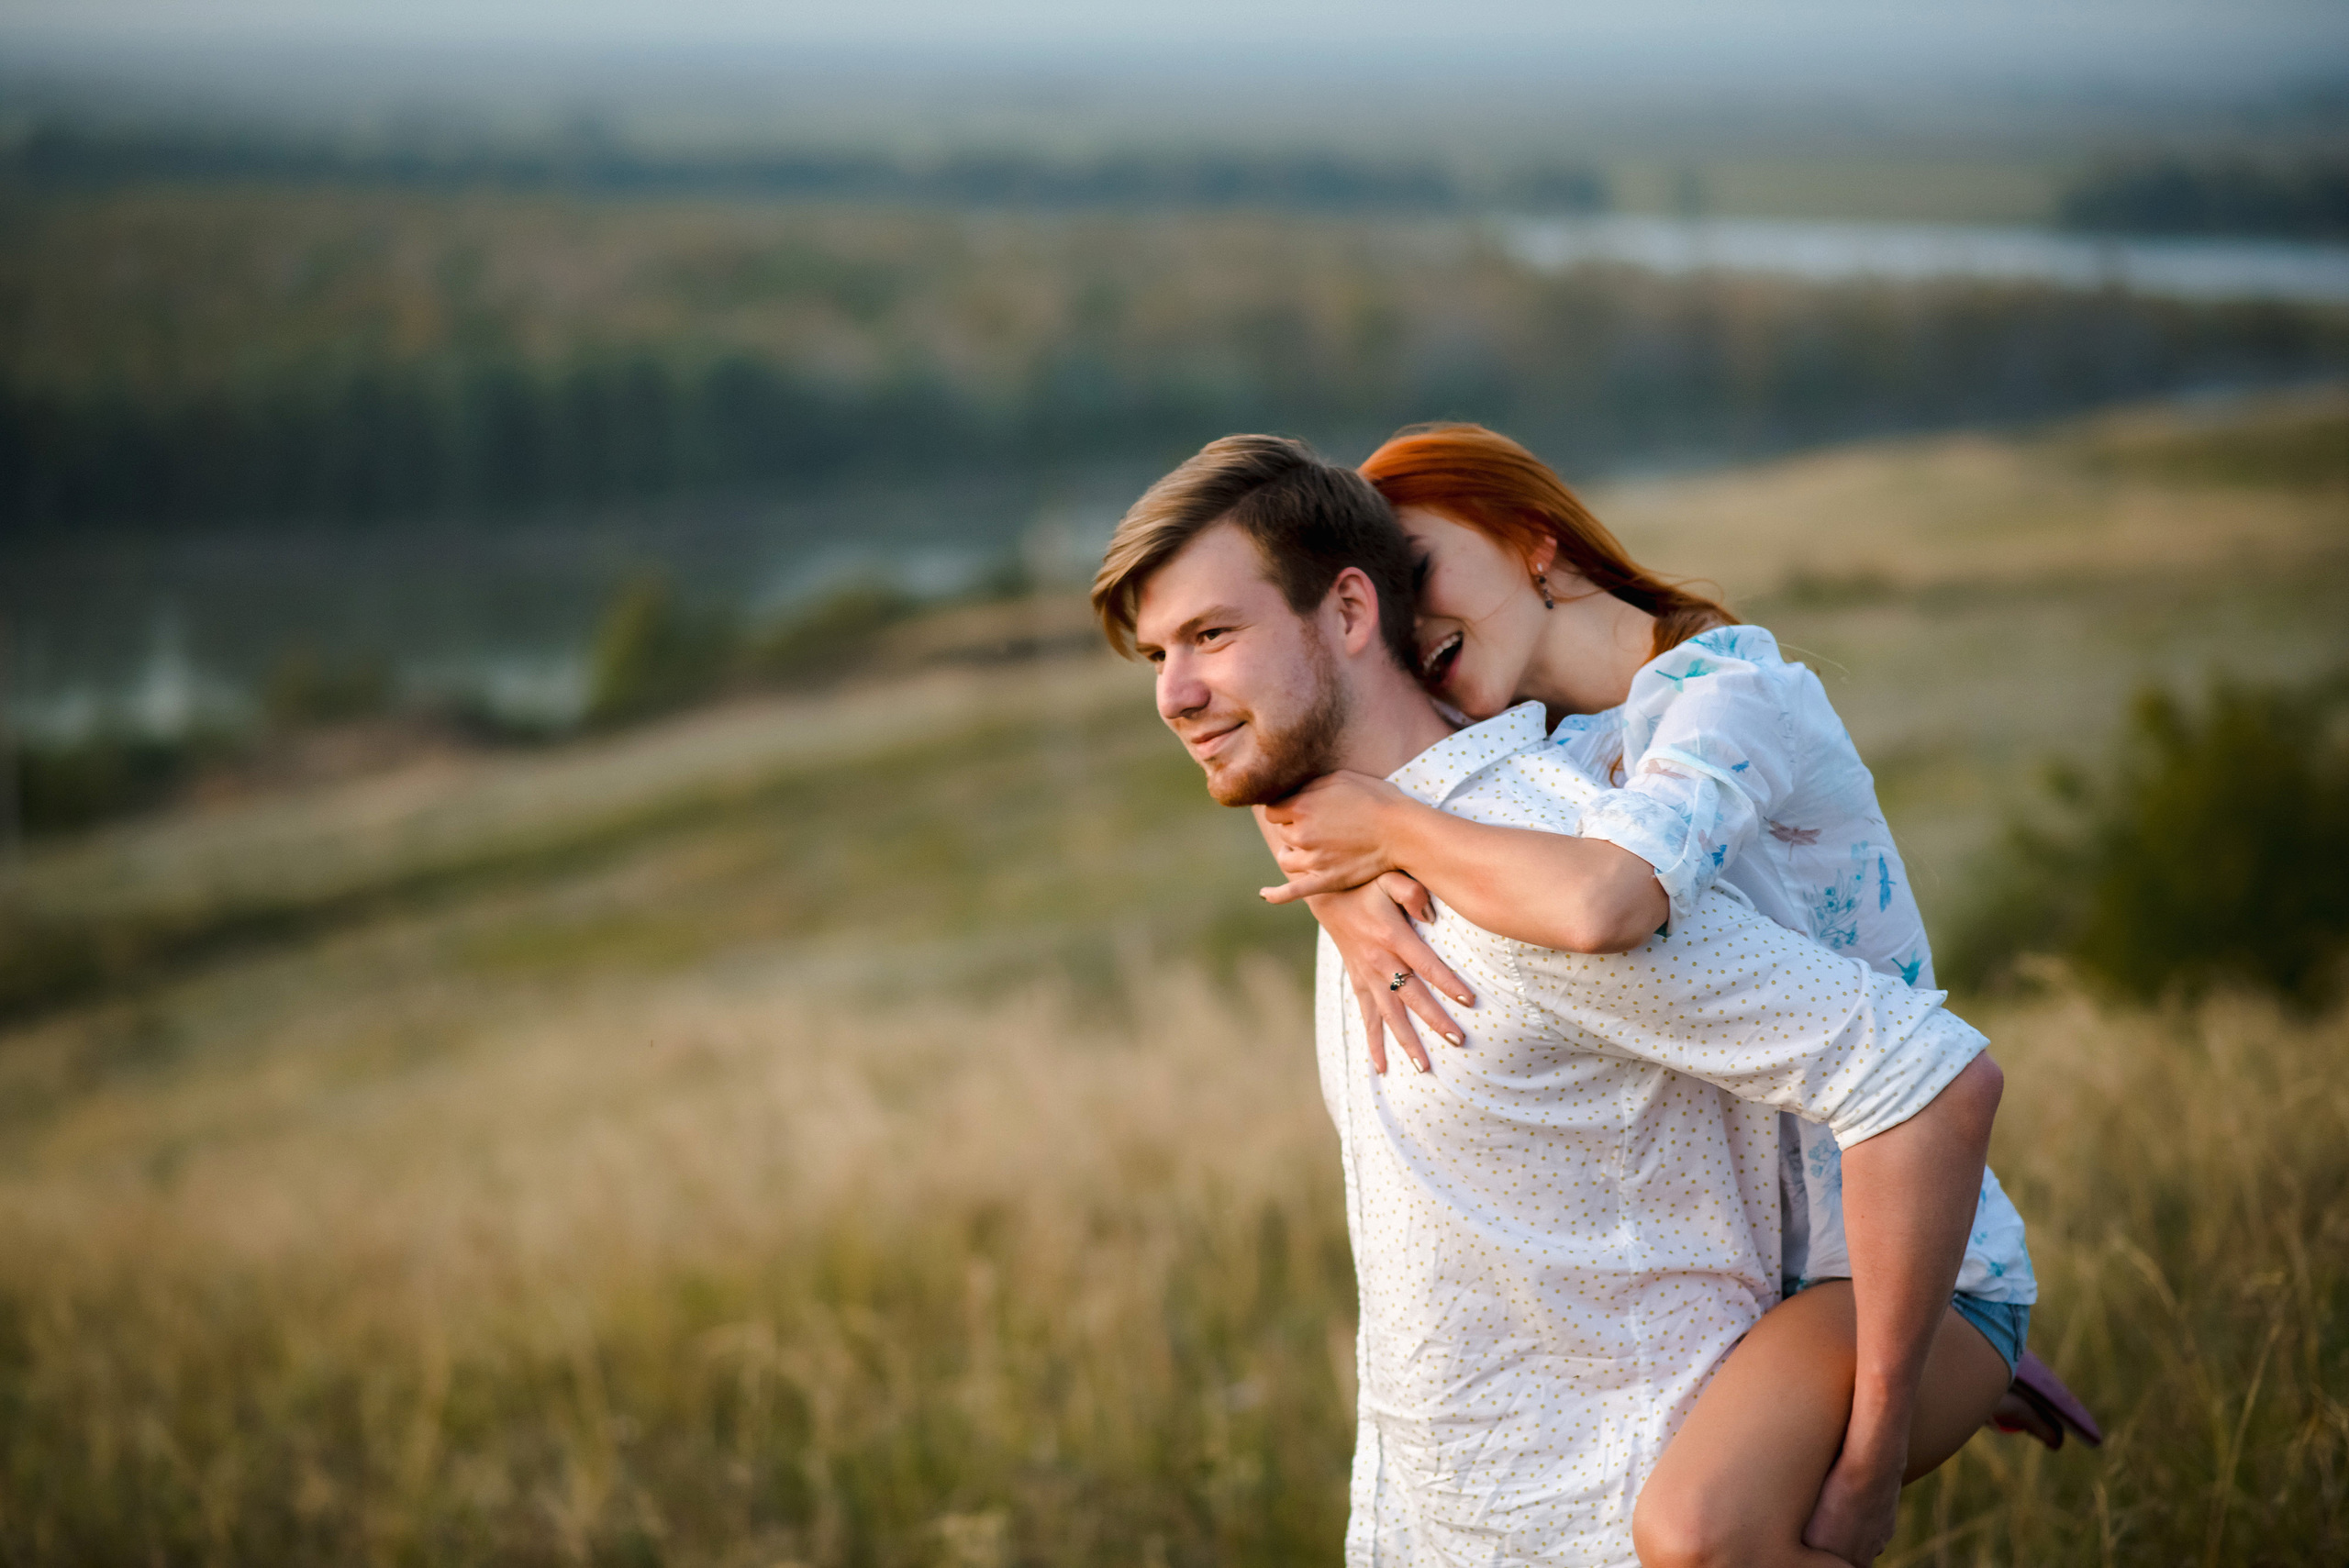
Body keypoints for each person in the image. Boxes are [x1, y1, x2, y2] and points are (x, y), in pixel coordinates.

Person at [1093, 433, 2009, 1566]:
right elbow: (1322, 723)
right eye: (1155, 655)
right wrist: (1346, 851)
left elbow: (1609, 905)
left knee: (1703, 1532)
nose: (1173, 694)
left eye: (1210, 635)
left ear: (1350, 611)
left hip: (1875, 1275)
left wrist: (1884, 1418)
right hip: (1462, 1496)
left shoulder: (1683, 734)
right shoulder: (1442, 807)